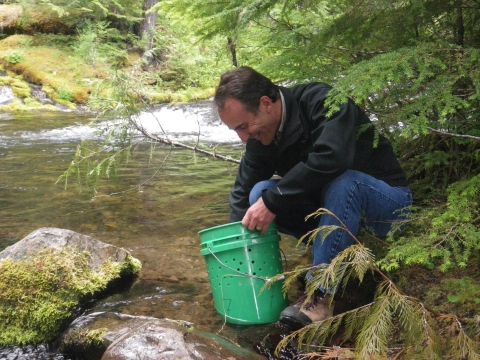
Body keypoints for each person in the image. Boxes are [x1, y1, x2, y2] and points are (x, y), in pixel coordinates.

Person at [213, 66, 412, 329]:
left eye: (243, 126)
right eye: (235, 131)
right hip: (334, 209)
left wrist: (275, 201)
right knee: (258, 193)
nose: (242, 138)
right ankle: (326, 255)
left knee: (344, 182)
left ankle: (320, 296)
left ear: (266, 104)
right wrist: (236, 255)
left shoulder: (322, 101)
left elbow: (333, 157)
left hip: (386, 204)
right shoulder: (261, 138)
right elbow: (241, 194)